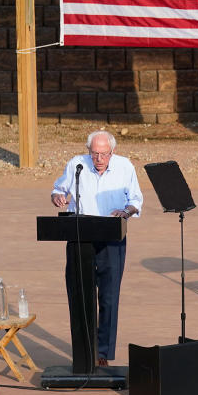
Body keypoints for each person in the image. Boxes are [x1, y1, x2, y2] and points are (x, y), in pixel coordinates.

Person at [51, 130, 143, 366]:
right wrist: (58, 198)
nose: (99, 158)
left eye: (104, 154)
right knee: (80, 294)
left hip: (112, 237)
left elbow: (135, 200)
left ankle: (102, 352)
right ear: (88, 150)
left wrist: (126, 212)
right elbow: (59, 189)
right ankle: (84, 351)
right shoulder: (77, 164)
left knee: (109, 298)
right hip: (81, 237)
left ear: (112, 152)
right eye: (95, 153)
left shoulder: (124, 166)